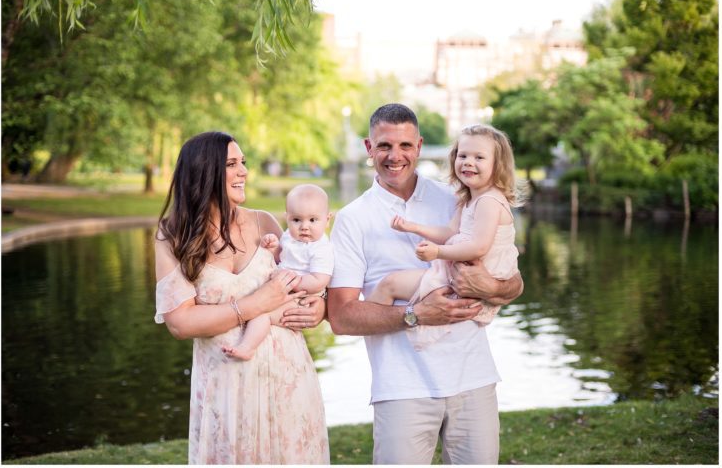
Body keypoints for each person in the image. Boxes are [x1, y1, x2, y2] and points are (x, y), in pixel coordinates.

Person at [328, 104, 523, 465]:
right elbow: (341, 317)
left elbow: (513, 283)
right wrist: (416, 315)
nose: (395, 156)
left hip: (474, 380)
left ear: (418, 146)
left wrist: (488, 288)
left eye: (405, 146)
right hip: (402, 389)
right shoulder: (352, 220)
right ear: (368, 149)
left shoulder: (460, 197)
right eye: (384, 146)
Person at [155, 131, 329, 465]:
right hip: (225, 386)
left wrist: (320, 304)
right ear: (205, 172)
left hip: (288, 381)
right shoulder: (172, 235)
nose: (244, 172)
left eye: (243, 162)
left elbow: (310, 276)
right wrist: (257, 303)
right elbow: (180, 323)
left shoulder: (263, 221)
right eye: (232, 164)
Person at [368, 125, 520, 351]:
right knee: (392, 286)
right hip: (461, 269)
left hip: (475, 273)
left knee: (390, 284)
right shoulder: (469, 198)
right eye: (463, 155)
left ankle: (379, 340)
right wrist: (413, 227)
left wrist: (437, 252)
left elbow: (478, 247)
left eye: (479, 157)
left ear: (497, 165)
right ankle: (382, 342)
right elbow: (450, 232)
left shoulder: (489, 201)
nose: (468, 162)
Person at [222, 183, 334, 361]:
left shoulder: (321, 249)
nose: (304, 226)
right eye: (297, 220)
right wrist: (273, 246)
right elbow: (281, 258)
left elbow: (319, 280)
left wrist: (289, 281)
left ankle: (247, 347)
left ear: (327, 220)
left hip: (300, 299)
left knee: (262, 314)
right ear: (287, 218)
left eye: (313, 220)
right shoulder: (290, 237)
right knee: (258, 305)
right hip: (283, 289)